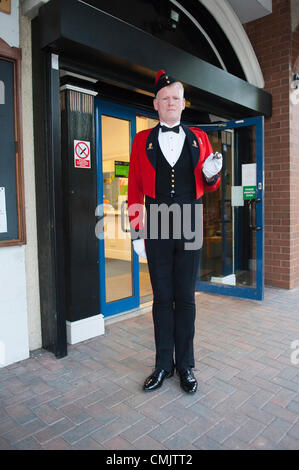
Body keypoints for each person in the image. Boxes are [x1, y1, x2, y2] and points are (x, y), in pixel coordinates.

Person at [128, 70, 222, 394]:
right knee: (161, 298)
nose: (171, 102)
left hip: (190, 221)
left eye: (176, 98)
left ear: (184, 103)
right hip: (155, 222)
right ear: (156, 104)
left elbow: (211, 182)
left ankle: (185, 365)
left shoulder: (199, 138)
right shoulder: (142, 140)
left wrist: (211, 175)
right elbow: (134, 189)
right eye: (165, 98)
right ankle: (162, 365)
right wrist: (136, 232)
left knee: (185, 299)